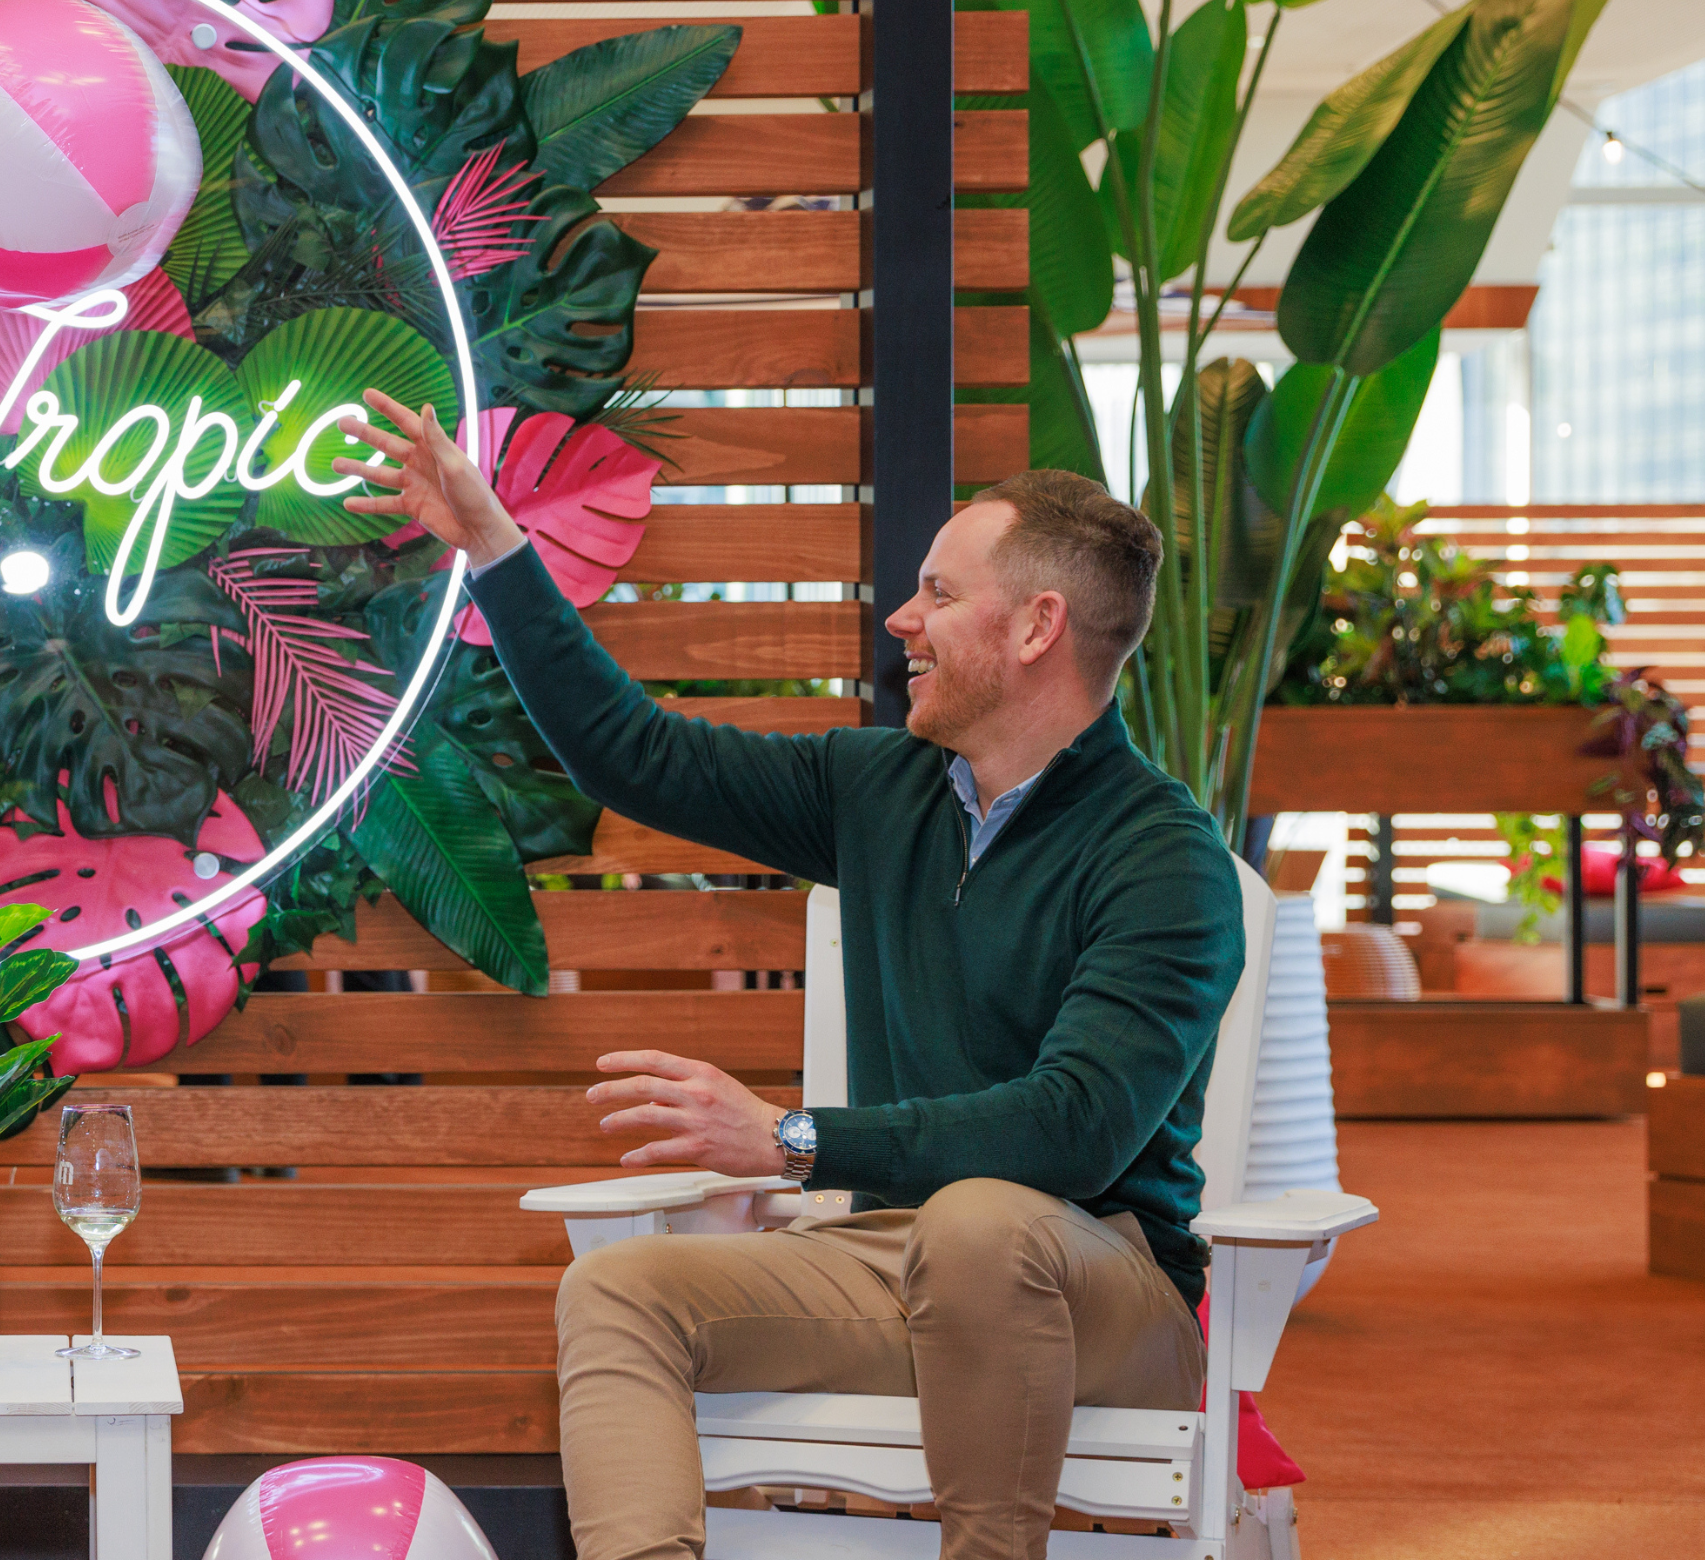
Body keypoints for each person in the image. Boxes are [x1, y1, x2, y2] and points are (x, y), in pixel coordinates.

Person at [337, 402, 1239, 1560]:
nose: (901, 619)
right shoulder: (883, 788)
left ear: (1037, 628)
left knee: (979, 1226)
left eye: (941, 595)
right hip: (893, 1262)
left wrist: (793, 1142)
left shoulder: (1163, 856)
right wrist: (497, 550)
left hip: (1103, 1286)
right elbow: (634, 754)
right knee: (620, 1293)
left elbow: (1074, 1132)